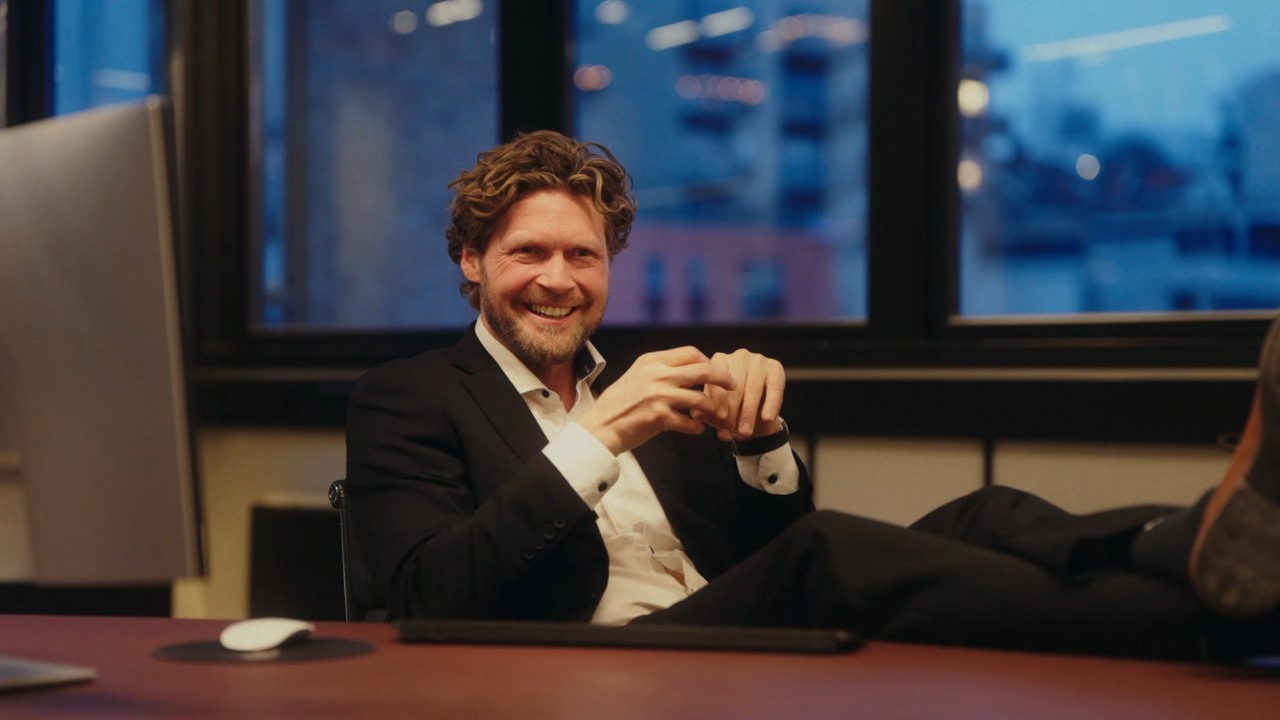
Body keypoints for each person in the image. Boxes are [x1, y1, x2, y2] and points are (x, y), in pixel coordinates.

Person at [344, 130, 1280, 660]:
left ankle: (1192, 551)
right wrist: (598, 435)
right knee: (830, 555)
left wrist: (762, 445)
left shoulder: (649, 386)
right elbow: (428, 595)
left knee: (986, 511)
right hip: (595, 661)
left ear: (609, 267)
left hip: (727, 633)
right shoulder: (409, 396)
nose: (559, 278)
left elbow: (765, 553)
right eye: (528, 252)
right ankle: (1219, 614)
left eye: (582, 254)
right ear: (472, 261)